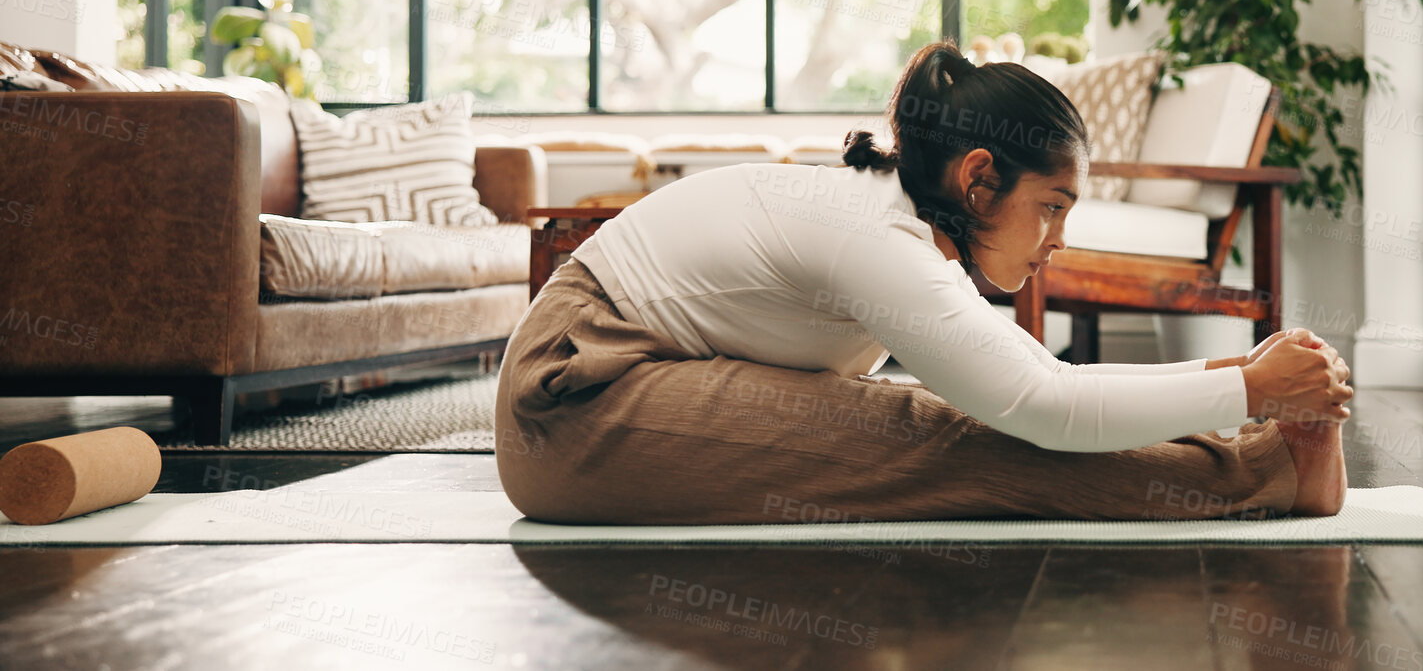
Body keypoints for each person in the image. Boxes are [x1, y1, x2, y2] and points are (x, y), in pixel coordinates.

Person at [493, 41, 1353, 525]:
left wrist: (1226, 380)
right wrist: (1248, 386)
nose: (1059, 239)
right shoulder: (878, 240)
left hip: (615, 376)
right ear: (979, 179)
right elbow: (1046, 405)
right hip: (574, 400)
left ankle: (1259, 460)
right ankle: (1262, 473)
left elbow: (1046, 387)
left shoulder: (895, 221)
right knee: (940, 439)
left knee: (954, 426)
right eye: (1050, 207)